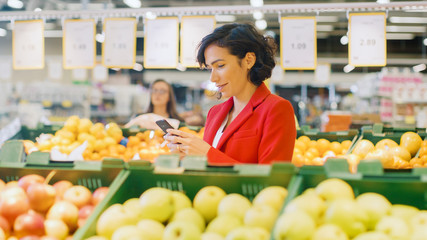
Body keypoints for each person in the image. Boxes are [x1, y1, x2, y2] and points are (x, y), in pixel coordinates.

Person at [164, 23, 296, 165]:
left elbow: (272, 179)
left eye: (220, 66)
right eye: (210, 69)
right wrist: (189, 157)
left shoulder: (276, 109)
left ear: (248, 60)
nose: (213, 78)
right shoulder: (214, 113)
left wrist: (207, 154)